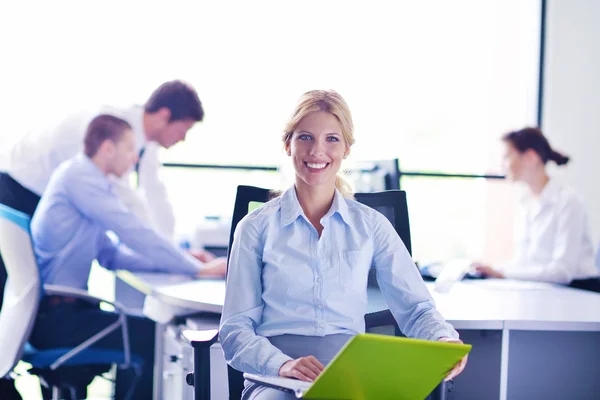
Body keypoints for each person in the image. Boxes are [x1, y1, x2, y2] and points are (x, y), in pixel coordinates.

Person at [219, 90, 467, 400]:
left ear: (347, 149)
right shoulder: (256, 227)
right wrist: (282, 365)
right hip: (276, 377)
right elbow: (235, 329)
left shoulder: (370, 225)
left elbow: (416, 309)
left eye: (332, 139)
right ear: (288, 145)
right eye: (305, 137)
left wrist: (443, 339)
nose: (317, 151)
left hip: (350, 374)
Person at [0, 81, 220, 397]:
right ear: (107, 150)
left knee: (147, 330)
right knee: (153, 337)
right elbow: (133, 229)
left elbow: (112, 255)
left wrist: (179, 258)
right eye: (130, 151)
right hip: (55, 319)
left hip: (54, 315)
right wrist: (195, 269)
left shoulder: (87, 182)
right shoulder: (80, 180)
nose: (134, 159)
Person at [473, 127, 600, 292]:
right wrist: (496, 270)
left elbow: (561, 272)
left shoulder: (568, 201)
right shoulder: (525, 201)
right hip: (544, 289)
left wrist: (503, 273)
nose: (502, 165)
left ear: (530, 157)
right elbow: (524, 263)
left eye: (507, 157)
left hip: (578, 291)